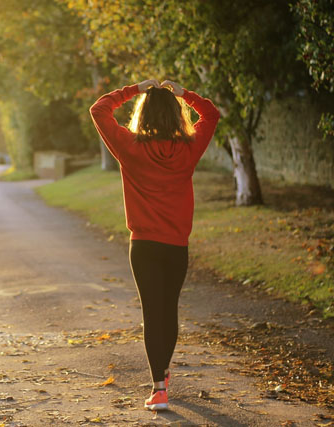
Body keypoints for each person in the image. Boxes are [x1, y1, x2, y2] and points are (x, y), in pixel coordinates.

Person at [89, 78, 220, 411]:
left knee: (152, 312)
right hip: (176, 245)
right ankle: (162, 374)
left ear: (142, 115)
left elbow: (99, 109)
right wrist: (184, 94)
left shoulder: (129, 147)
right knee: (169, 310)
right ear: (176, 116)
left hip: (144, 245)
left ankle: (159, 387)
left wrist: (135, 89)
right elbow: (212, 114)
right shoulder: (189, 148)